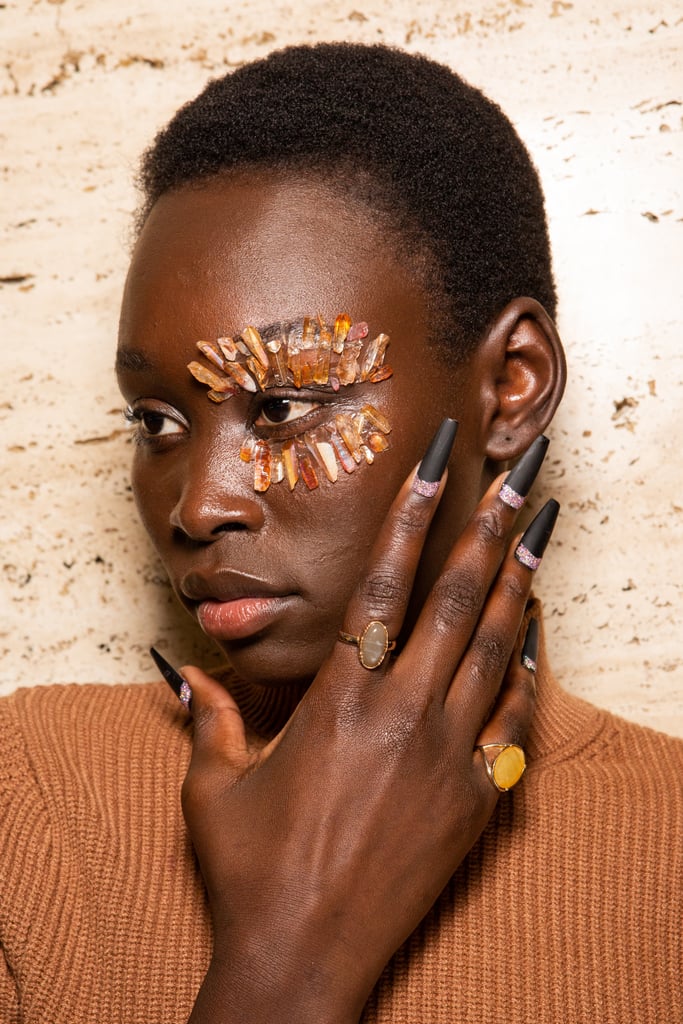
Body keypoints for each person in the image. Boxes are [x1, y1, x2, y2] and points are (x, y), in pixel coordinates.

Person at [1, 42, 680, 1024]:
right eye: (157, 422)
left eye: (278, 405)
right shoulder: (34, 799)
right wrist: (288, 959)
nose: (197, 507)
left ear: (511, 384)